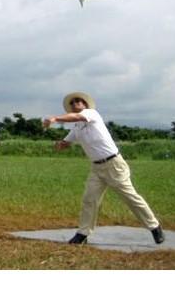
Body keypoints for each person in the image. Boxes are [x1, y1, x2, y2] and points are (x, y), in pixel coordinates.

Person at [43, 92, 165, 245]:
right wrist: (59, 145)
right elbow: (65, 143)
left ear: (85, 104)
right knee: (89, 199)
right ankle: (83, 234)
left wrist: (54, 119)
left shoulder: (91, 113)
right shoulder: (76, 128)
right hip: (96, 168)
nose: (75, 103)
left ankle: (154, 227)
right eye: (72, 102)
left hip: (113, 164)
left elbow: (77, 117)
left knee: (130, 197)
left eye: (78, 101)